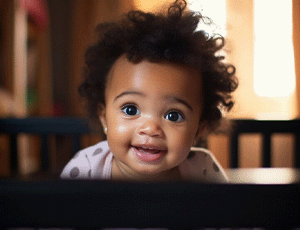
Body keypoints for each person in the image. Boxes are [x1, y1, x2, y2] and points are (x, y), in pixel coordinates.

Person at [60, 0, 238, 182]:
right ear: (104, 116)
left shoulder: (202, 170)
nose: (151, 129)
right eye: (130, 110)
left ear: (199, 129)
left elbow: (223, 210)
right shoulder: (87, 168)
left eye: (174, 115)